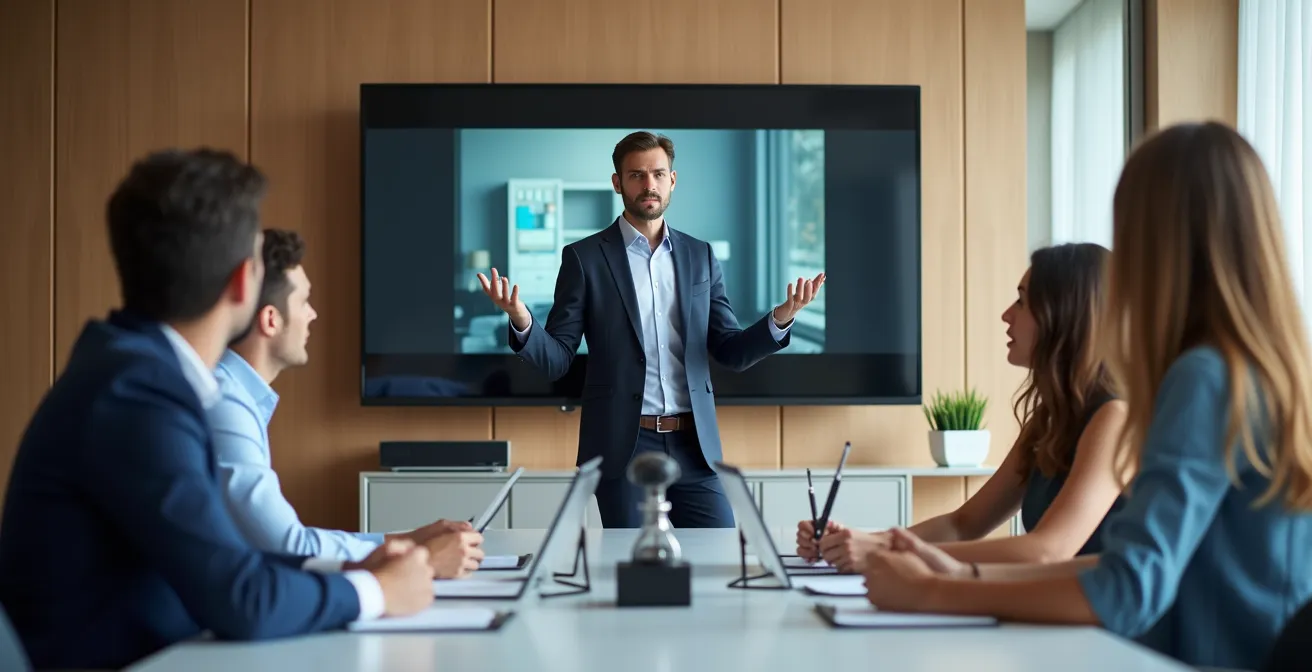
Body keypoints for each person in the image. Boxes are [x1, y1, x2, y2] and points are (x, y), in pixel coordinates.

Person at [860, 122, 1312, 672]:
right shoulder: (1261, 372)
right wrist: (953, 573)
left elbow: (1125, 587)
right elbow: (1114, 564)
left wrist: (932, 592)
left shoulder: (1203, 378)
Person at [0, 149, 435, 670]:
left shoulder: (129, 368)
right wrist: (376, 592)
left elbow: (229, 564)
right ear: (242, 282)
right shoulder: (137, 392)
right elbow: (241, 598)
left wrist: (360, 568)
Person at [478, 131, 824, 528]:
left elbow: (730, 350)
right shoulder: (585, 258)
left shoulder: (701, 255)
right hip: (623, 444)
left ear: (672, 180)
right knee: (631, 570)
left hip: (695, 445)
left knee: (721, 551)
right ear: (618, 183)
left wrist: (780, 318)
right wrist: (521, 318)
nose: (649, 185)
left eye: (658, 174)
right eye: (637, 175)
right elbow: (558, 359)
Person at [796, 243, 1128, 571]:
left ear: (1066, 316)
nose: (1006, 314)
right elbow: (963, 524)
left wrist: (884, 548)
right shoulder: (1049, 420)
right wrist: (855, 542)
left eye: (1023, 302)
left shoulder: (1114, 419)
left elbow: (1046, 552)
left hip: (1098, 625)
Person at [210, 228, 484, 576]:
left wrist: (408, 542)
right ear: (270, 319)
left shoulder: (237, 394)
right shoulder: (224, 402)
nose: (313, 315)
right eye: (303, 302)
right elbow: (288, 548)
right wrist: (421, 556)